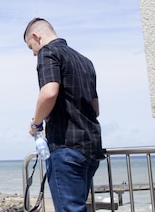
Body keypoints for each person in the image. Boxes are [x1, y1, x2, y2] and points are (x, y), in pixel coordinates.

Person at [23, 18, 104, 212]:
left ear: (36, 36)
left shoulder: (48, 52)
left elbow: (49, 92)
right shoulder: (86, 62)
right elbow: (96, 108)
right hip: (91, 147)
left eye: (30, 47)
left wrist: (35, 124)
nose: (34, 53)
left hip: (66, 147)